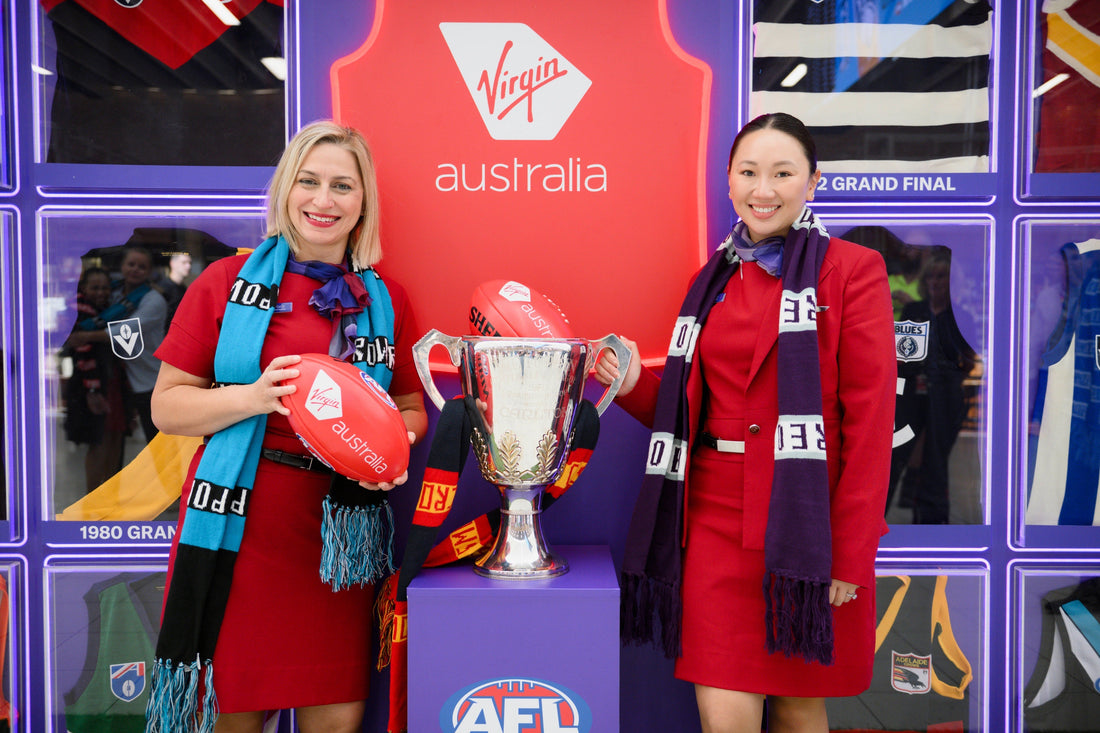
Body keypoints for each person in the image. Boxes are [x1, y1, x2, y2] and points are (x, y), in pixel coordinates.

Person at [595, 113, 896, 732]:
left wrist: (849, 554)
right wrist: (628, 383)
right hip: (712, 519)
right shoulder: (711, 280)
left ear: (812, 182)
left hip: (806, 524)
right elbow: (686, 413)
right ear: (729, 182)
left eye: (783, 173)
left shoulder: (852, 270)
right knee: (723, 710)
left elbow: (870, 424)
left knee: (798, 708)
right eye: (749, 172)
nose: (764, 189)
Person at [145, 120, 427, 733]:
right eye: (310, 181)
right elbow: (167, 408)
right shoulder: (223, 282)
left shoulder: (388, 299)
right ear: (285, 190)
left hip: (339, 543)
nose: (324, 201)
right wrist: (254, 397)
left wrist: (389, 452)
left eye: (342, 187)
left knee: (336, 714)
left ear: (363, 204)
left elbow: (410, 407)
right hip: (241, 533)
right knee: (233, 715)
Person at [61, 266, 133, 492]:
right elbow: (83, 353)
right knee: (98, 442)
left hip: (108, 382)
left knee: (111, 439)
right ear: (83, 288)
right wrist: (92, 392)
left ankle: (106, 497)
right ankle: (94, 497)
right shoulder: (81, 310)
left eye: (104, 287)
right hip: (91, 386)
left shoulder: (103, 310)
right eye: (95, 287)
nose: (100, 292)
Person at [111, 243, 168, 445]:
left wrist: (85, 336)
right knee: (116, 441)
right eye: (131, 264)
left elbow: (123, 331)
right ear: (122, 266)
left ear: (149, 272)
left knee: (157, 445)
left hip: (151, 380)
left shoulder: (154, 300)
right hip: (126, 379)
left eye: (141, 266)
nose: (135, 269)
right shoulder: (116, 295)